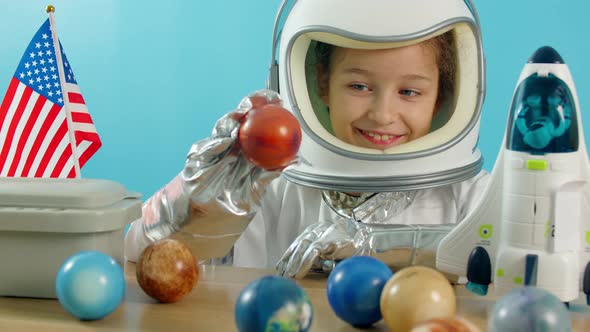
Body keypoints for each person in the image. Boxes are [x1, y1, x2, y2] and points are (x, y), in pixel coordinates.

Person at [125, 0, 489, 279]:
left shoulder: (469, 195)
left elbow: (508, 257)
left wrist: (373, 246)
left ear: (442, 98)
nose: (382, 113)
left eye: (409, 91)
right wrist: (195, 202)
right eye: (359, 86)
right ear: (321, 85)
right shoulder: (275, 185)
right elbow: (140, 256)